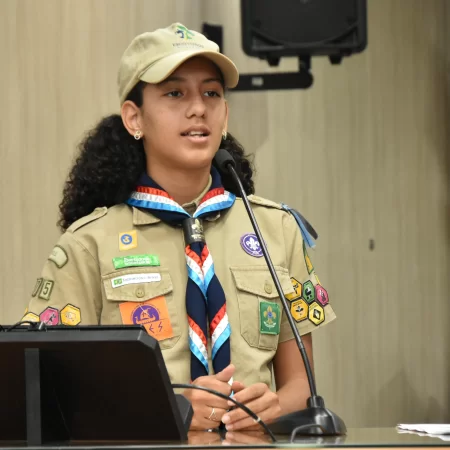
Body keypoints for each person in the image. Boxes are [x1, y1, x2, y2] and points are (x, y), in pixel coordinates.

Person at [25, 23, 336, 431]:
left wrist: (274, 406)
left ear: (225, 115)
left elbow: (303, 385)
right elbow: (56, 390)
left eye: (212, 93)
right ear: (134, 117)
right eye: (175, 93)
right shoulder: (88, 244)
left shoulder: (276, 229)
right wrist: (170, 407)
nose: (198, 109)